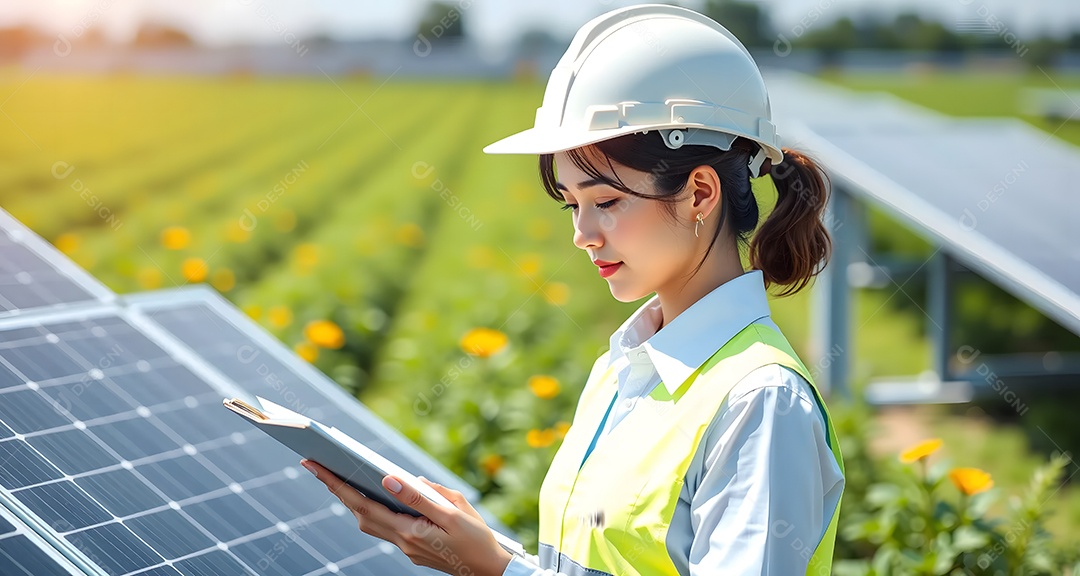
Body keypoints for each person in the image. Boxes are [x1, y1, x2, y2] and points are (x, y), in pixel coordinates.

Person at [302, 4, 846, 575]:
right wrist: (488, 551)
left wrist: (494, 571)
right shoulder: (622, 366)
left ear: (700, 194)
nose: (582, 235)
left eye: (606, 202)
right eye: (572, 205)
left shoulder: (761, 403)